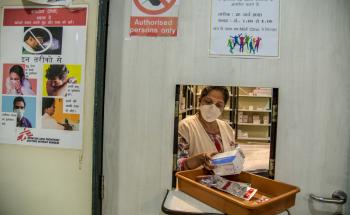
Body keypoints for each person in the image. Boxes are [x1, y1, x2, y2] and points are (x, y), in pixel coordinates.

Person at [177, 86, 236, 171]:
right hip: (195, 182)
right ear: (200, 100)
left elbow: (232, 152)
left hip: (224, 181)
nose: (212, 108)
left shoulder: (227, 128)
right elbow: (177, 164)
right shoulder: (185, 126)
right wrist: (200, 159)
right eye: (208, 102)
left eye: (218, 105)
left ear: (223, 108)